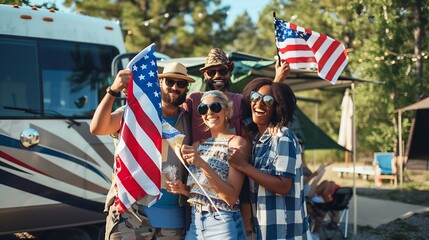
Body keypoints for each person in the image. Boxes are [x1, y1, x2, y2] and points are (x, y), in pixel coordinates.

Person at [183, 48, 290, 238]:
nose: (217, 75)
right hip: (198, 184)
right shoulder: (194, 99)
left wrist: (274, 122)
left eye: (222, 71)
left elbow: (263, 106)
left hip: (233, 168)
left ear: (230, 72)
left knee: (243, 225)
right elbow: (172, 110)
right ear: (205, 74)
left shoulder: (239, 100)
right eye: (212, 71)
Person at [90, 62, 194, 240]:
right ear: (160, 83)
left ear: (186, 89)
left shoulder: (189, 120)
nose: (175, 87)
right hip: (131, 212)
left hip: (172, 220)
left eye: (181, 84)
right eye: (169, 81)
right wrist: (113, 90)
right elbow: (98, 128)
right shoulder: (136, 112)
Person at [228, 77, 311, 240]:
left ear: (278, 108)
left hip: (286, 233)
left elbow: (283, 185)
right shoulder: (258, 139)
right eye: (255, 97)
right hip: (265, 230)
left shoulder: (283, 137)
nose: (259, 104)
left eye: (268, 100)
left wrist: (243, 165)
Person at [171, 90, 250, 240]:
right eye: (203, 109)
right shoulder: (197, 145)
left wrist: (201, 163)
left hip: (222, 222)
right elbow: (205, 194)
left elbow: (231, 197)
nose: (209, 112)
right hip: (196, 223)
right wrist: (183, 189)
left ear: (227, 110)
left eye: (215, 107)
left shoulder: (236, 143)